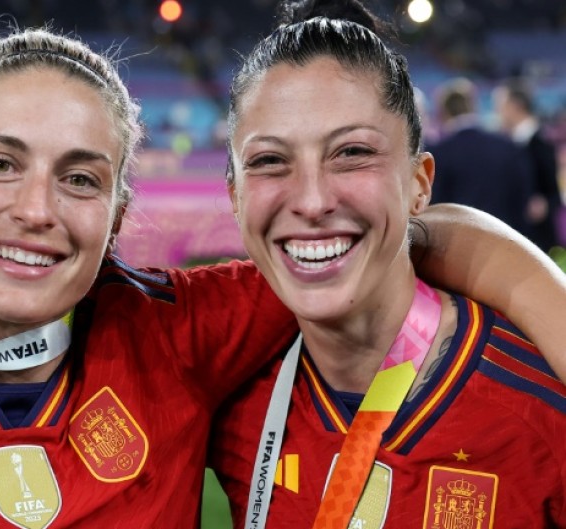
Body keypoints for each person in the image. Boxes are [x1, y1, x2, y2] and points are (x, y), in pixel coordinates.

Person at [0, 26, 564, 529]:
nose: (38, 208)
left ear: (116, 213)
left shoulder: (179, 334)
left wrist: (540, 296)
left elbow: (371, 240)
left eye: (80, 177)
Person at [208, 1, 566, 527]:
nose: (311, 201)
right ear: (235, 196)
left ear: (419, 184)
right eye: (269, 161)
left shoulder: (541, 411)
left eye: (352, 152)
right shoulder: (222, 394)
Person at [429, 77, 535, 236]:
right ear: (474, 106)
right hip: (509, 240)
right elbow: (524, 198)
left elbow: (435, 208)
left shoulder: (439, 153)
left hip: (459, 246)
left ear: (443, 112)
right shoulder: (507, 146)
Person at [493, 78, 563, 252]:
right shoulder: (510, 143)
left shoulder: (540, 143)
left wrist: (544, 204)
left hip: (538, 241)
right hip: (517, 236)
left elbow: (554, 193)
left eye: (501, 105)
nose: (498, 112)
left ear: (516, 106)